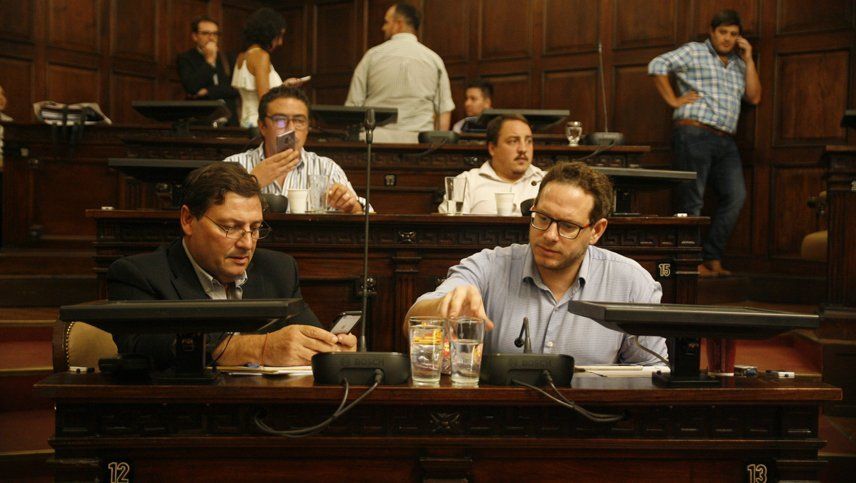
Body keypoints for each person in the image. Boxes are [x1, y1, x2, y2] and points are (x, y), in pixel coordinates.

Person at [408, 162, 667, 365]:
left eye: (567, 226)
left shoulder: (631, 283)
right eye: (542, 218)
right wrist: (444, 305)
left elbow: (650, 372)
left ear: (596, 231)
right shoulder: (489, 266)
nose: (550, 235)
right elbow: (413, 322)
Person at [107, 162, 357, 369]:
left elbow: (308, 341)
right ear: (188, 220)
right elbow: (144, 347)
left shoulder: (278, 270)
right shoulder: (139, 275)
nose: (247, 244)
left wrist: (330, 349)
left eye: (255, 228)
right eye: (230, 228)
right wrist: (259, 348)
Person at [648, 9, 761, 277]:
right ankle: (691, 262)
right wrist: (673, 100)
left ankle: (712, 258)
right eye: (723, 32)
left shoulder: (739, 64)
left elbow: (754, 97)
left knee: (736, 197)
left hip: (726, 140)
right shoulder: (695, 51)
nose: (727, 38)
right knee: (692, 199)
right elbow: (656, 65)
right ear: (712, 32)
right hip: (694, 132)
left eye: (733, 34)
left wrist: (749, 59)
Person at [224, 86, 366, 214]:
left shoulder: (327, 168)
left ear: (307, 128)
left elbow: (364, 215)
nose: (291, 129)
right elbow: (214, 214)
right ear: (262, 126)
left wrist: (352, 207)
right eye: (280, 120)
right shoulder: (234, 165)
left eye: (299, 121)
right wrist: (251, 182)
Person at [345, 3, 454, 142]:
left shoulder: (372, 56)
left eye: (386, 22)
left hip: (375, 141)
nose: (383, 28)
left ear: (398, 24)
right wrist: (436, 147)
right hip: (420, 143)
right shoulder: (434, 60)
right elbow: (443, 111)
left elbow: (353, 107)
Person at [439, 114, 543, 215]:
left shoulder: (545, 181)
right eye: (513, 141)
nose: (523, 149)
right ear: (492, 148)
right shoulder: (466, 183)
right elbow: (448, 225)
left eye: (529, 141)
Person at [232, 8, 304, 128]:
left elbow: (252, 93)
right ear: (268, 34)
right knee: (299, 126)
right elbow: (265, 101)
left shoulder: (242, 56)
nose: (280, 42)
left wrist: (284, 86)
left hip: (246, 122)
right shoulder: (261, 56)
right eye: (279, 36)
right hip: (262, 125)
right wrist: (283, 124)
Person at [176, 15, 239, 125]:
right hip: (201, 119)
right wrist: (209, 61)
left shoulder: (228, 58)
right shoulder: (186, 58)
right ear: (195, 36)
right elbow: (192, 87)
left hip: (229, 120)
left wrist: (208, 91)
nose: (211, 38)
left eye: (215, 34)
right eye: (206, 33)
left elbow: (235, 89)